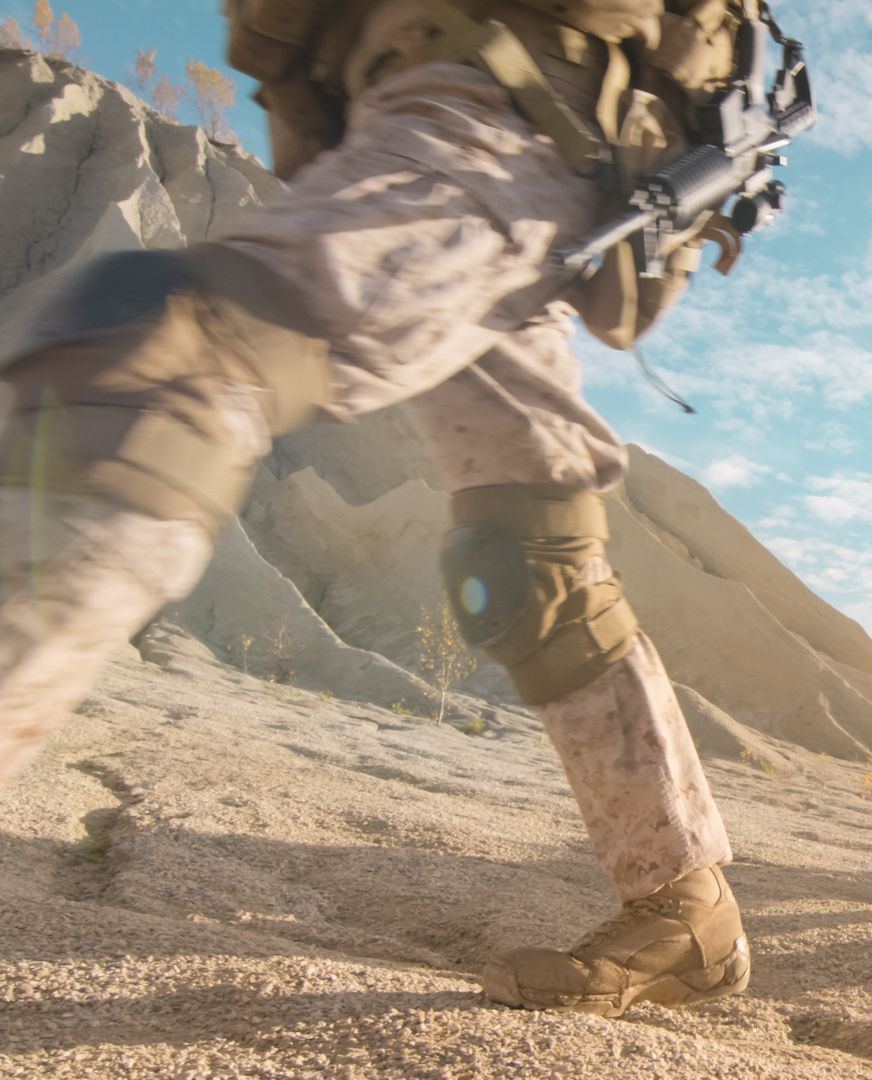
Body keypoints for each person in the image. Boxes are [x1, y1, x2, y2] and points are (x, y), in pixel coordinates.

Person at [0, 0, 808, 1016]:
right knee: (534, 561)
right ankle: (688, 911)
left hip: (496, 109)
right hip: (427, 124)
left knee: (161, 359)